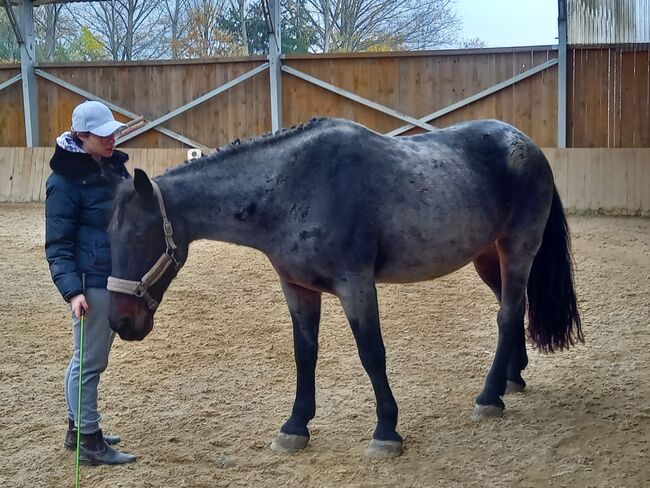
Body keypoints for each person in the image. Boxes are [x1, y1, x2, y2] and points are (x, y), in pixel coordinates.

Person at [45, 100, 136, 465]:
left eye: (113, 132)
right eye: (103, 135)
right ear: (81, 137)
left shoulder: (111, 168)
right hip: (91, 282)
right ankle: (90, 441)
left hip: (109, 276)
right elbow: (58, 244)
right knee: (90, 363)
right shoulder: (63, 183)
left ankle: (77, 428)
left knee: (84, 359)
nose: (112, 139)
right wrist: (73, 292)